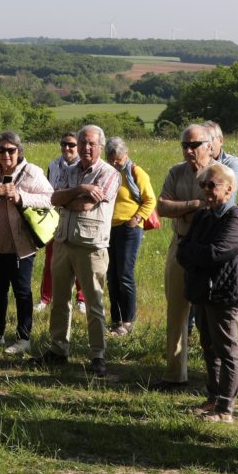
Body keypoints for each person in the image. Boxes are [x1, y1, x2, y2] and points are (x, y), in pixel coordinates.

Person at [175, 162, 238, 420]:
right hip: (202, 289)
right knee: (208, 345)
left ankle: (225, 407)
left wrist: (198, 253)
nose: (206, 190)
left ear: (229, 190)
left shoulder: (237, 218)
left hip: (224, 291)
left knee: (226, 349)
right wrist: (199, 253)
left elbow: (217, 253)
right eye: (202, 185)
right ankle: (213, 398)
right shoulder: (204, 215)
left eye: (212, 185)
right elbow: (182, 251)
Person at [43, 125, 119, 378]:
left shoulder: (108, 173)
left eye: (91, 144)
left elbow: (86, 206)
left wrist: (72, 197)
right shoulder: (69, 170)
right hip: (64, 242)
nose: (86, 148)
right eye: (82, 142)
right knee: (59, 299)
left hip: (91, 247)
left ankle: (97, 355)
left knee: (94, 302)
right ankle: (58, 349)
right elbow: (54, 198)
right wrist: (80, 188)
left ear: (100, 146)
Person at [0, 130, 53, 354]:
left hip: (21, 247)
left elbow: (49, 198)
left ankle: (23, 339)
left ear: (19, 151)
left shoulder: (31, 172)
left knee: (22, 292)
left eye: (11, 150)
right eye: (1, 150)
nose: (6, 154)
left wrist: (21, 197)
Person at [156, 123, 216, 387]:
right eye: (184, 145)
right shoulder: (176, 172)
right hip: (180, 245)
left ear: (209, 146)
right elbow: (161, 207)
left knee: (209, 316)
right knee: (176, 311)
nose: (189, 150)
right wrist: (192, 205)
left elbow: (214, 209)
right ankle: (175, 375)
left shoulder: (218, 173)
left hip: (208, 250)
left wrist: (181, 209)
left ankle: (214, 378)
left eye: (194, 145)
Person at [105, 136, 156, 336]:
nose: (115, 162)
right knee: (112, 276)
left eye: (118, 158)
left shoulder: (136, 172)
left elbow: (150, 200)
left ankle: (128, 321)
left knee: (125, 274)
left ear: (126, 154)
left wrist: (136, 218)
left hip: (129, 229)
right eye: (111, 158)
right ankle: (116, 319)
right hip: (108, 229)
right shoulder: (107, 173)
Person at [37, 131, 83, 309]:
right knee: (51, 258)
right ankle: (46, 297)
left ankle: (81, 299)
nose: (67, 148)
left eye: (71, 144)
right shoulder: (53, 164)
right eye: (64, 144)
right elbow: (49, 191)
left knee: (79, 259)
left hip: (78, 217)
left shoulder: (84, 165)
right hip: (55, 217)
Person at [206, 120, 238, 195]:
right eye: (202, 140)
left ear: (221, 141)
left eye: (210, 139)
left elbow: (227, 194)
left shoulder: (233, 163)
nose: (206, 144)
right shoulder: (192, 164)